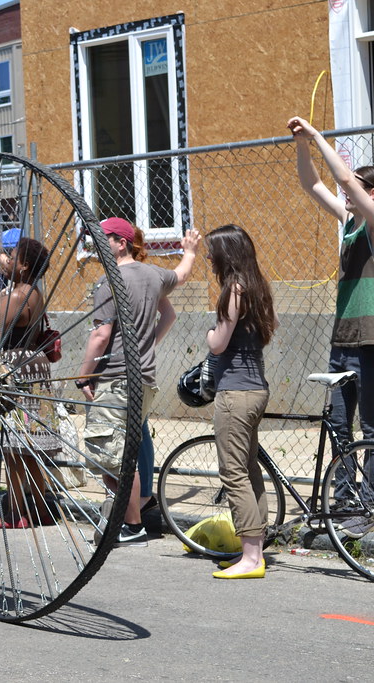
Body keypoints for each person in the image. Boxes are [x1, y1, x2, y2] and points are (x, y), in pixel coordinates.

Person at [77, 217, 199, 546]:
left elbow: (101, 335)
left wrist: (83, 375)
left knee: (115, 457)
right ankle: (126, 518)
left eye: (102, 239)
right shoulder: (153, 275)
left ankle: (132, 525)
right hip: (144, 378)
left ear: (121, 242)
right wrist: (189, 251)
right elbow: (176, 296)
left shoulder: (109, 281)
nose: (95, 246)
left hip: (115, 378)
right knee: (126, 449)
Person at [288, 116, 374, 508]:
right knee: (339, 424)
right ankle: (345, 499)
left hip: (370, 340)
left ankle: (369, 503)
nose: (347, 192)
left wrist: (320, 136)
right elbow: (312, 184)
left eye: (357, 186)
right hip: (343, 340)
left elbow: (342, 181)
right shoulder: (349, 224)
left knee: (370, 429)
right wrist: (302, 145)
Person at [0, 235, 59, 527]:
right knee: (29, 448)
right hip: (32, 368)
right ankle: (42, 507)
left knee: (14, 450)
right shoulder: (30, 292)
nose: (5, 259)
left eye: (12, 256)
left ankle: (15, 512)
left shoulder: (20, 296)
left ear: (24, 266)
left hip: (16, 372)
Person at [204, 225, 278, 579]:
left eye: (212, 251)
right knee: (247, 469)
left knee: (233, 472)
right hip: (255, 388)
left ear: (226, 254)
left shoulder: (233, 288)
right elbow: (266, 331)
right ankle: (255, 549)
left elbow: (218, 343)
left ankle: (251, 557)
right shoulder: (257, 286)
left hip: (235, 392)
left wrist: (208, 334)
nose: (208, 258)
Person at [129, 227, 177, 513]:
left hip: (132, 365)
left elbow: (169, 315)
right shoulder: (146, 275)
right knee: (140, 426)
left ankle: (144, 494)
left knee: (137, 428)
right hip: (135, 363)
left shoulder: (141, 275)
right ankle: (143, 493)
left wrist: (145, 345)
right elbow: (169, 315)